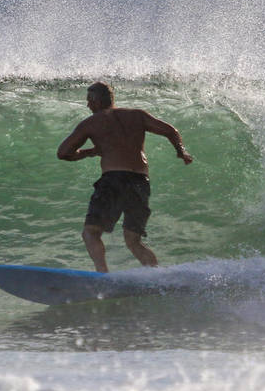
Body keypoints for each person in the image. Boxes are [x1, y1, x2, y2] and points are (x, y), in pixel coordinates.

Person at [56, 81, 193, 272]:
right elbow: (171, 131)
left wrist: (91, 152)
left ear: (96, 101)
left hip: (113, 180)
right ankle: (157, 277)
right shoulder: (137, 115)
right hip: (140, 182)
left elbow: (63, 153)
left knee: (91, 233)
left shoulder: (91, 123)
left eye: (89, 101)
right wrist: (181, 151)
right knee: (133, 241)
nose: (87, 105)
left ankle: (102, 276)